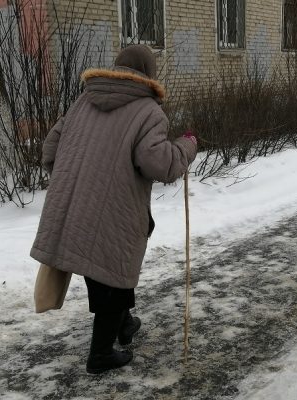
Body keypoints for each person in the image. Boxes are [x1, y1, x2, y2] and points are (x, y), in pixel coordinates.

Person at [30, 45, 197, 374]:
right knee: (112, 276)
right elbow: (159, 164)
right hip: (114, 212)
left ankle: (125, 325)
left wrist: (78, 182)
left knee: (104, 272)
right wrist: (187, 145)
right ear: (149, 75)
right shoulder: (148, 111)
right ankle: (101, 354)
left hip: (75, 206)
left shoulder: (83, 102)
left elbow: (50, 152)